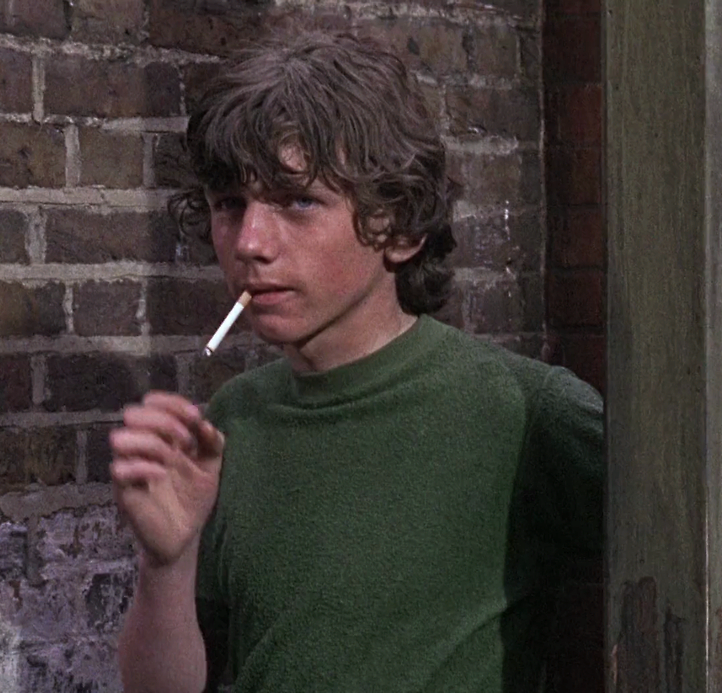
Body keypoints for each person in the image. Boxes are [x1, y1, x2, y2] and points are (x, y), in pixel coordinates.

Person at [108, 31, 603, 693]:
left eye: (298, 201)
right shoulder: (232, 421)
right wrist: (164, 565)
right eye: (230, 204)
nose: (250, 241)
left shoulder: (523, 412)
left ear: (399, 226)